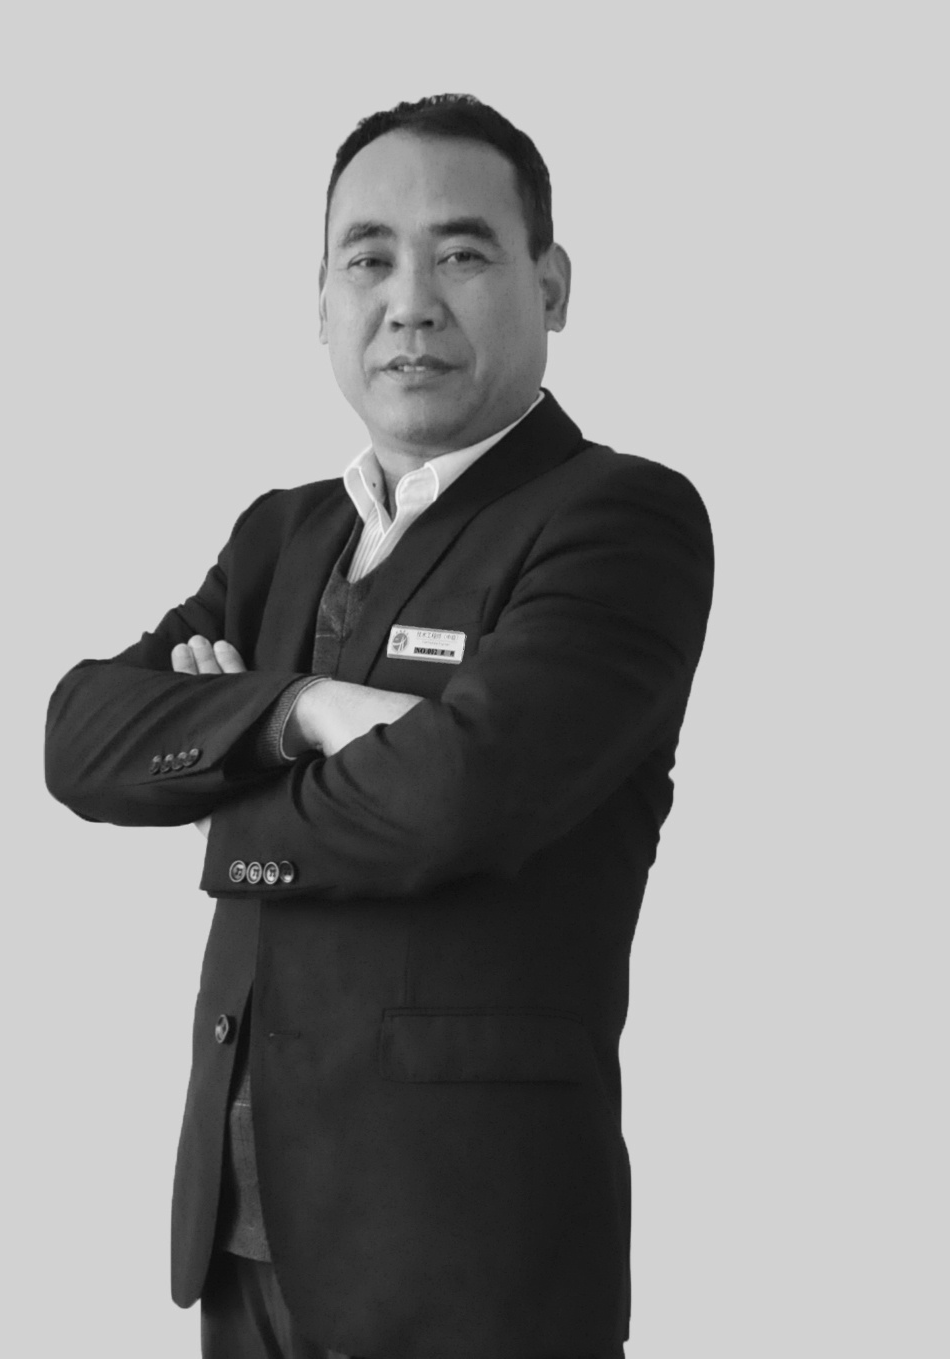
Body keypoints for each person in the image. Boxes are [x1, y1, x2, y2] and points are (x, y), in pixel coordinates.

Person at [45, 93, 714, 1359]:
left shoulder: (617, 522)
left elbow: (460, 797)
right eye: (367, 259)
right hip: (246, 1235)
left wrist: (223, 768)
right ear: (320, 302)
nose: (408, 302)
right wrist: (303, 707)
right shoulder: (281, 534)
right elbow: (80, 739)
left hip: (469, 1254)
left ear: (550, 285)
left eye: (460, 253)